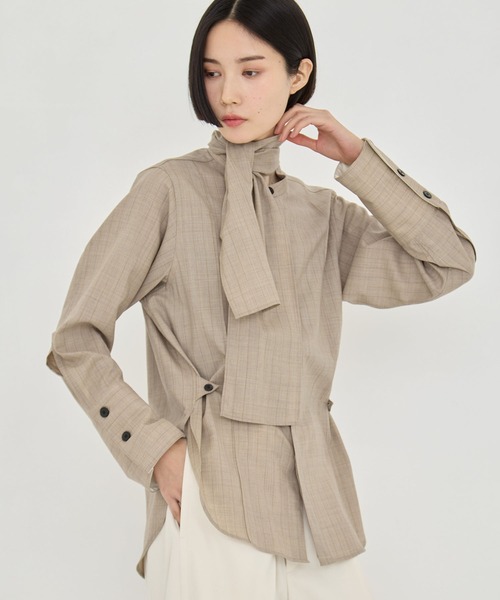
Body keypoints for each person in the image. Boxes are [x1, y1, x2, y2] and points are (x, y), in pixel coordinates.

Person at [46, 0, 476, 598]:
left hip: (315, 498)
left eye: (250, 71)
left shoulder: (320, 216)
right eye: (213, 72)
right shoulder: (168, 191)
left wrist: (358, 158)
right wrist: (155, 449)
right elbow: (76, 338)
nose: (228, 94)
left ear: (298, 75)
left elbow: (449, 262)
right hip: (208, 492)